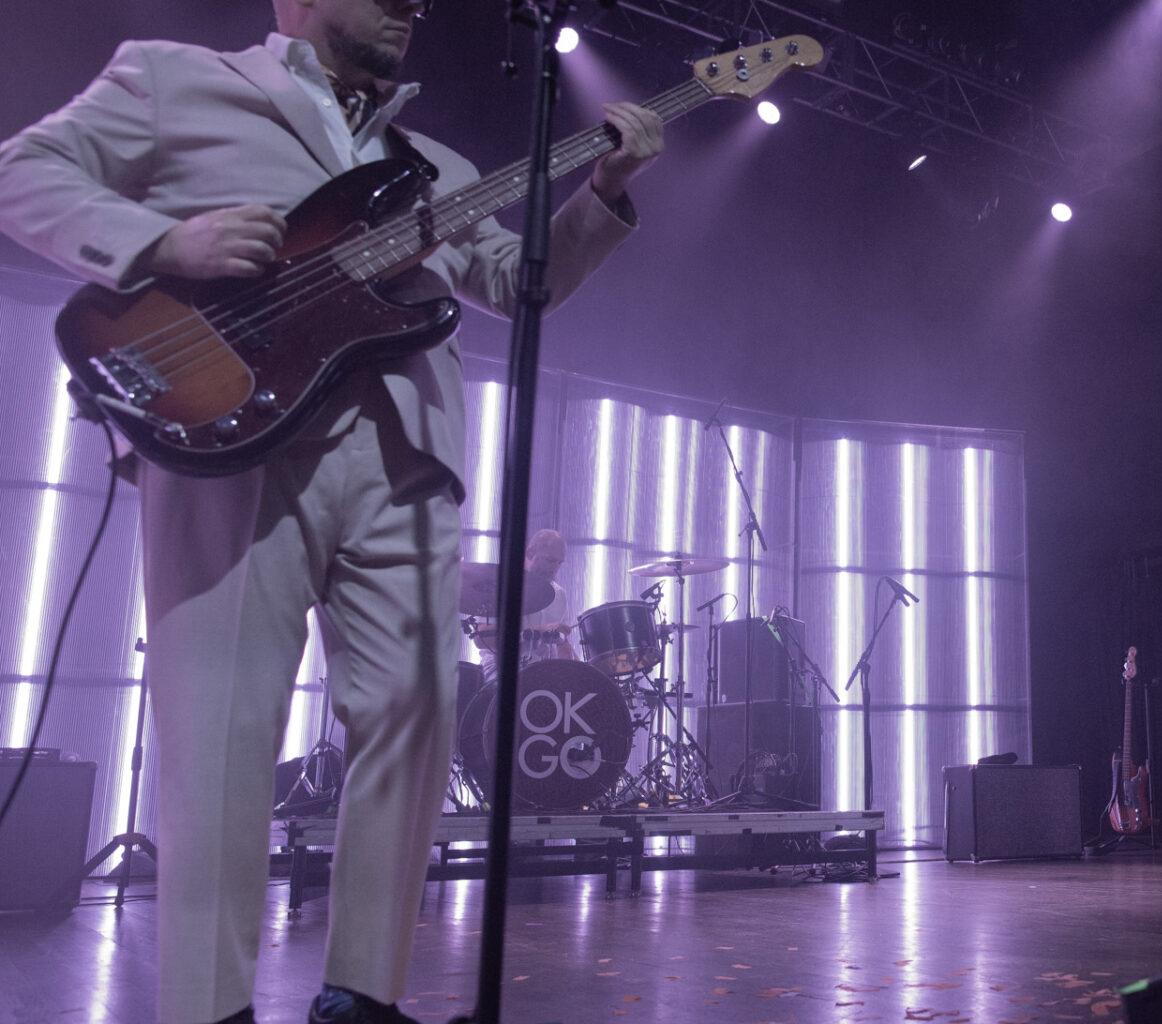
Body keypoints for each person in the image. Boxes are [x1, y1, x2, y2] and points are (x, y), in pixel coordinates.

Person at [0, 2, 664, 1022]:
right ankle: (209, 1009)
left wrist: (605, 190)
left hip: (406, 456)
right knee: (219, 736)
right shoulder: (174, 78)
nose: (412, 5)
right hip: (228, 433)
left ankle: (362, 996)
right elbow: (20, 172)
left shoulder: (432, 164)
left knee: (417, 716)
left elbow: (517, 282)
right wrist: (165, 239)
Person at [480, 528, 580, 668]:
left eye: (559, 563)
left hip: (542, 671)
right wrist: (539, 631)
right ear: (530, 552)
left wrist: (582, 669)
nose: (555, 568)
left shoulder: (560, 595)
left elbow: (561, 643)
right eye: (550, 560)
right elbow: (482, 638)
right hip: (501, 667)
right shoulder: (501, 586)